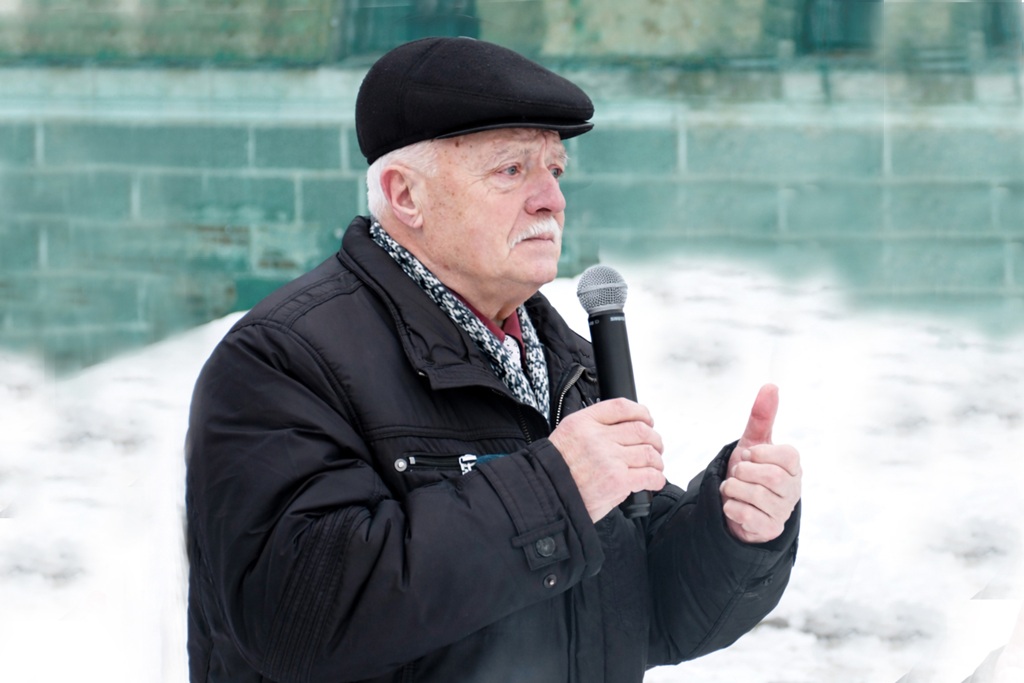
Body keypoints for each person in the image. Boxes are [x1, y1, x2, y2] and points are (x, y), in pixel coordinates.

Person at [185, 36, 802, 683]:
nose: (551, 199)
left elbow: (643, 612)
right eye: (512, 170)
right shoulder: (281, 359)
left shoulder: (564, 361)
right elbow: (296, 615)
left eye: (555, 170)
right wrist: (556, 489)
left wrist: (734, 529)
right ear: (406, 195)